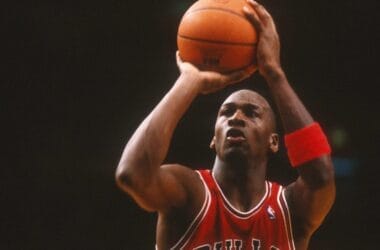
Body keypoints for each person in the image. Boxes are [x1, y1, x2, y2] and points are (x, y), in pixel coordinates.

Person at [115, 0, 335, 249]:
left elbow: (321, 176)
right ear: (213, 139)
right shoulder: (191, 193)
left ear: (274, 141)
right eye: (226, 112)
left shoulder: (290, 210)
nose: (236, 118)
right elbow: (132, 174)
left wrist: (274, 73)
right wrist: (189, 81)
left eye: (252, 113)